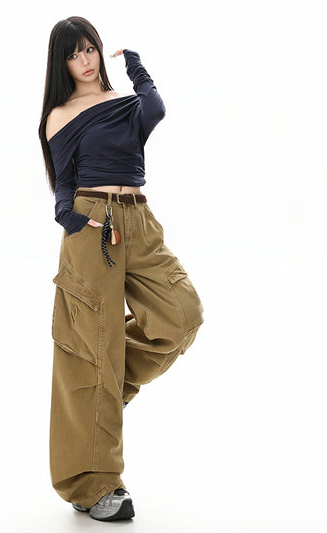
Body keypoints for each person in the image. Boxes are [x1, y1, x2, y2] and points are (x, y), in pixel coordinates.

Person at [38, 16, 205, 522]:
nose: (85, 60)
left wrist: (136, 67)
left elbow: (155, 108)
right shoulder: (60, 114)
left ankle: (114, 388)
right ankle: (94, 486)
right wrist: (66, 215)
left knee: (182, 314)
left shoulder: (125, 103)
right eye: (74, 54)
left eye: (90, 49)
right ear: (62, 63)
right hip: (93, 224)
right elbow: (63, 180)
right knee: (93, 344)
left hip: (139, 220)